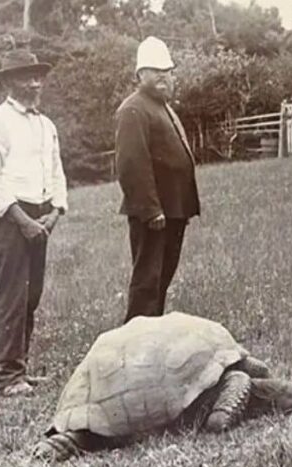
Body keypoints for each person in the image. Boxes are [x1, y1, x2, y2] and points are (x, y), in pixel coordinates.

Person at [0, 50, 68, 397]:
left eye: (39, 76)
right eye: (27, 76)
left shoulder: (46, 125)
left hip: (41, 216)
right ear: (7, 81)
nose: (35, 82)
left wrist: (56, 212)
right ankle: (7, 376)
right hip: (10, 218)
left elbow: (56, 171)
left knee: (32, 295)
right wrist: (22, 219)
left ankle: (20, 368)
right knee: (12, 296)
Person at [114, 36, 199, 324]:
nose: (164, 76)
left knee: (161, 280)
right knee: (147, 283)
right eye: (155, 71)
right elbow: (130, 165)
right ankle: (135, 345)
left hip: (174, 209)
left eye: (168, 71)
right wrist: (151, 210)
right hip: (154, 213)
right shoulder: (133, 109)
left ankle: (152, 338)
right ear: (140, 75)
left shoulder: (161, 106)